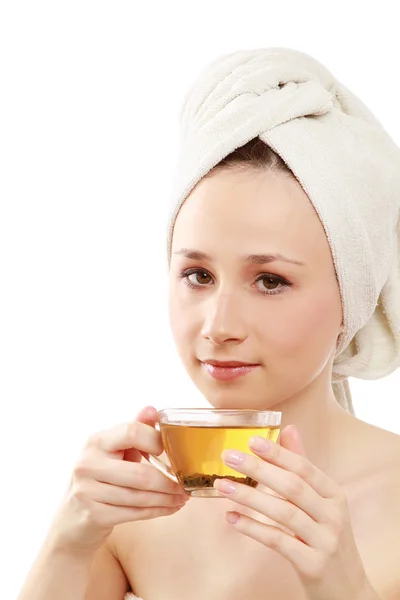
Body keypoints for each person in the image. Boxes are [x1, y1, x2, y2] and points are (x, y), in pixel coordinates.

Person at [17, 48, 400, 600]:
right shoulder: (131, 507)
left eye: (270, 281)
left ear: (353, 298)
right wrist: (68, 541)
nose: (219, 326)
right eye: (197, 274)